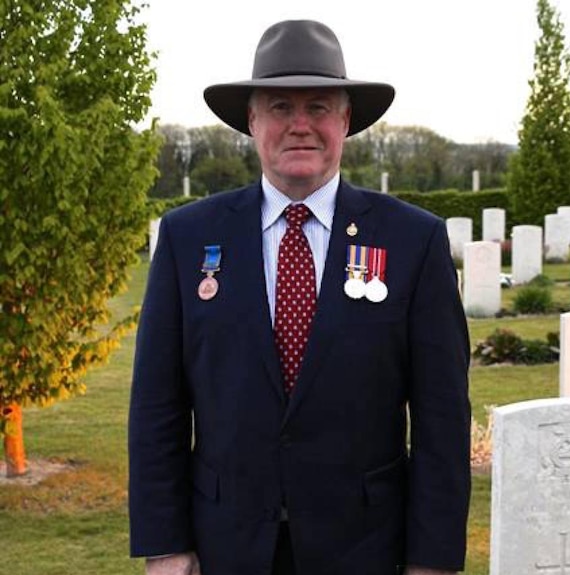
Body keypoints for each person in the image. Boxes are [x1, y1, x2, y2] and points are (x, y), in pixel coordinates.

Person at [128, 19, 471, 575]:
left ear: (345, 119)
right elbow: (156, 408)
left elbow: (441, 419)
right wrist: (165, 544)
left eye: (318, 106)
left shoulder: (414, 241)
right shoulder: (187, 239)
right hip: (225, 547)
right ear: (252, 119)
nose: (300, 126)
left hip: (366, 549)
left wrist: (432, 560)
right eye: (281, 107)